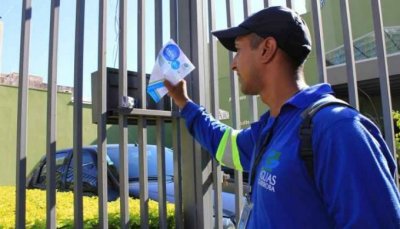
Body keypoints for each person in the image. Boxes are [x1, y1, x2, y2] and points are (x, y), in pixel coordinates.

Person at [164, 6, 400, 228]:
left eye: (238, 50)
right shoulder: (270, 128)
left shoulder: (338, 128)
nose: (234, 64)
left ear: (267, 49)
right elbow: (224, 142)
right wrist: (185, 103)